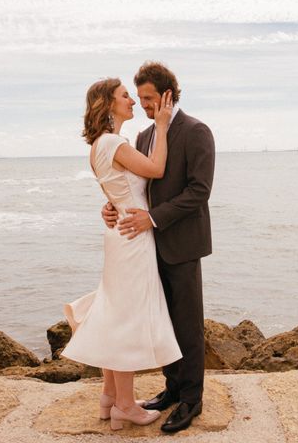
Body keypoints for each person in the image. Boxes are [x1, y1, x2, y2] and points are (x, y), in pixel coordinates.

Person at [61, 77, 182, 431]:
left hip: (119, 233)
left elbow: (117, 189)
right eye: (124, 96)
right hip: (132, 237)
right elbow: (156, 169)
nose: (131, 101)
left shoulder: (99, 145)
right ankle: (126, 406)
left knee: (115, 310)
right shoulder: (115, 142)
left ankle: (110, 397)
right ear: (108, 104)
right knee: (125, 317)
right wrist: (161, 126)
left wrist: (110, 206)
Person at [102, 61, 215, 433]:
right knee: (162, 322)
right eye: (139, 98)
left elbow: (198, 193)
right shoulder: (146, 136)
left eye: (149, 98)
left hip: (181, 244)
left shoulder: (197, 132)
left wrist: (152, 218)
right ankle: (171, 388)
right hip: (149, 246)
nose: (144, 105)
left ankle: (191, 400)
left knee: (187, 325)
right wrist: (113, 206)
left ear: (167, 94)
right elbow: (140, 186)